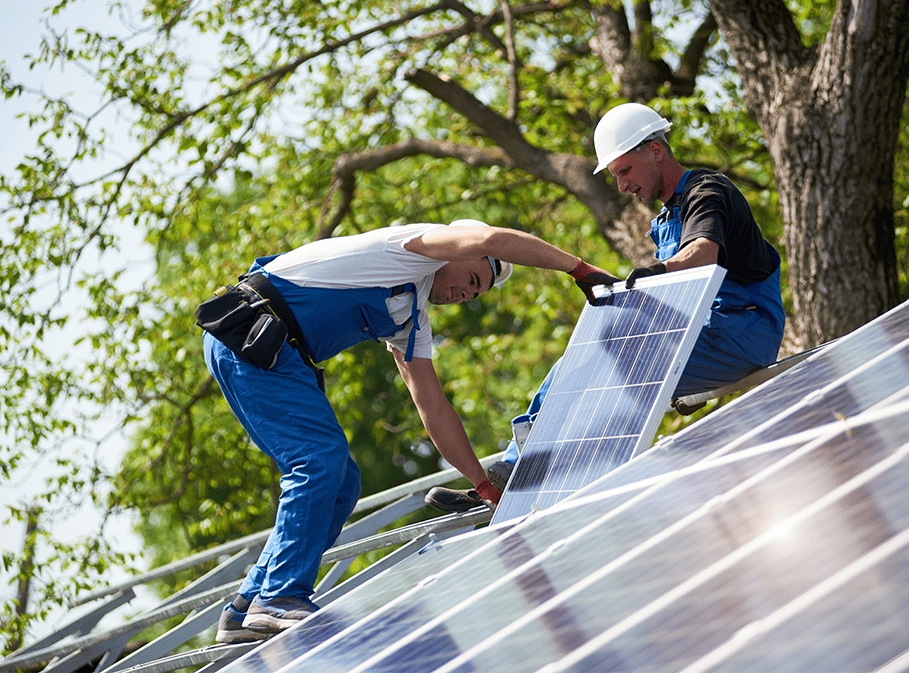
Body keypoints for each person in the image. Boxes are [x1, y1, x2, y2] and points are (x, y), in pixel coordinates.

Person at [197, 219, 615, 643]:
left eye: (474, 294)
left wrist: (483, 485)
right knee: (318, 460)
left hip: (269, 353)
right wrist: (577, 268)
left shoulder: (408, 317)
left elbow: (432, 406)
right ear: (457, 248)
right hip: (251, 333)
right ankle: (281, 597)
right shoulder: (405, 251)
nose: (465, 294)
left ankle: (246, 606)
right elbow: (492, 238)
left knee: (342, 483)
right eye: (471, 279)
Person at [475, 102, 786, 493]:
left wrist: (655, 275)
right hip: (706, 336)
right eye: (614, 175)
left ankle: (534, 467)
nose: (621, 185)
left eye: (624, 170)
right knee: (589, 354)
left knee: (611, 354)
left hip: (745, 331)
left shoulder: (708, 191)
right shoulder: (664, 220)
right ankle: (517, 467)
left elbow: (703, 254)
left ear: (655, 151)